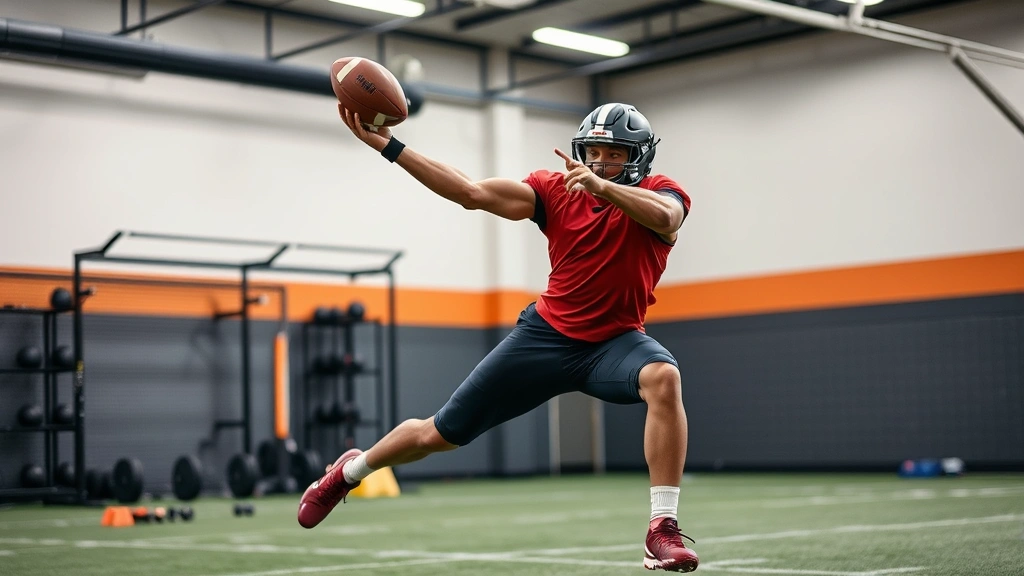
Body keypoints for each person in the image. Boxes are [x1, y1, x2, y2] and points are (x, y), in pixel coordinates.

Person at [298, 102, 698, 572]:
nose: (599, 162)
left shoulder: (661, 193)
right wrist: (390, 146)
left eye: (613, 154)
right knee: (438, 433)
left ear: (638, 157)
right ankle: (347, 473)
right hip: (546, 337)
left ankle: (661, 529)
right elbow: (470, 192)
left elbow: (666, 219)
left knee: (663, 377)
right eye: (593, 151)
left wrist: (605, 188)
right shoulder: (556, 190)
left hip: (614, 344)